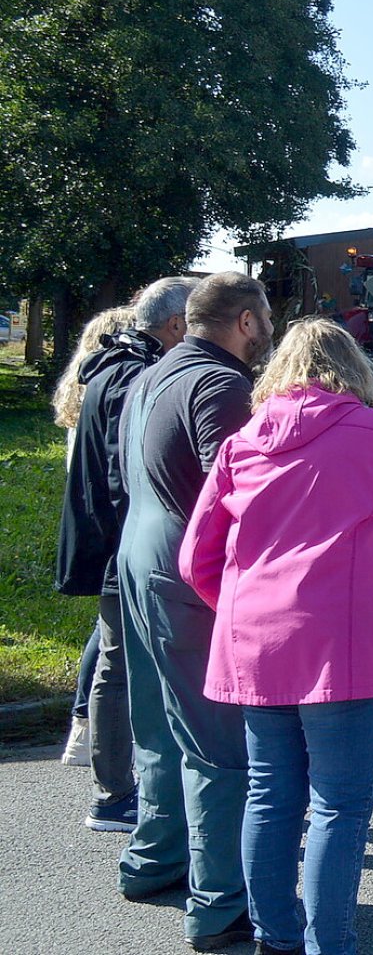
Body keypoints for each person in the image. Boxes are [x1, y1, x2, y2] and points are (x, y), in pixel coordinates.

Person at [179, 318, 373, 955]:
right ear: (353, 370)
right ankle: (329, 945)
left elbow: (197, 559)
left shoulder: (241, 442)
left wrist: (245, 615)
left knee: (270, 796)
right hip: (349, 650)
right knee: (339, 806)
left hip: (258, 646)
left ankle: (275, 938)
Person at [116, 271, 272, 950]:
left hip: (137, 554)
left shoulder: (153, 372)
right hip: (185, 571)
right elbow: (233, 490)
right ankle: (217, 906)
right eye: (265, 318)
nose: (270, 332)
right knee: (216, 743)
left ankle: (154, 860)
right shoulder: (222, 384)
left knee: (155, 725)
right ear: (244, 321)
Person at [55, 282, 192, 828]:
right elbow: (124, 475)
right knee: (125, 666)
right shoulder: (138, 374)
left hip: (114, 539)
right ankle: (119, 795)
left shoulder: (109, 366)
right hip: (128, 543)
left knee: (118, 663)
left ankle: (118, 789)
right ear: (177, 324)